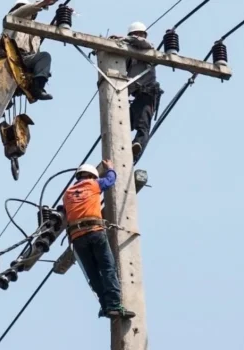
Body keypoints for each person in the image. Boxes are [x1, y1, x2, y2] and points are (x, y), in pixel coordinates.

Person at [62, 160, 136, 319]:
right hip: (94, 232)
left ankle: (105, 306)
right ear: (92, 176)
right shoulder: (93, 184)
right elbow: (110, 180)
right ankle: (114, 305)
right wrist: (110, 168)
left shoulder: (67, 194)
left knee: (94, 274)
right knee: (108, 268)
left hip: (77, 238)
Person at [0, 0, 56, 101]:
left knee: (44, 57)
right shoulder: (12, 18)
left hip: (25, 60)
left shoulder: (36, 32)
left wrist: (63, 17)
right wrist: (42, 3)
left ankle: (37, 88)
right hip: (8, 57)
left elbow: (53, 29)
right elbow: (23, 10)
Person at [112, 22, 164, 161]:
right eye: (136, 34)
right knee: (120, 122)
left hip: (148, 95)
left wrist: (123, 39)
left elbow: (142, 42)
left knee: (143, 127)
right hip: (136, 97)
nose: (139, 36)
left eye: (140, 34)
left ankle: (136, 148)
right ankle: (120, 150)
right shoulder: (129, 56)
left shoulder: (148, 48)